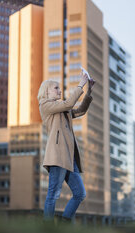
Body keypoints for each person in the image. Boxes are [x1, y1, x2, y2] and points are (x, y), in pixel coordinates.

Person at [37, 71, 95, 223]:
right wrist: (80, 84)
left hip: (69, 158)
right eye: (56, 88)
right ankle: (47, 228)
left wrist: (88, 91)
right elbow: (69, 103)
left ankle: (64, 223)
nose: (59, 90)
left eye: (59, 88)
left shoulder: (63, 107)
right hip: (57, 156)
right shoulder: (45, 105)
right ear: (47, 91)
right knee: (53, 194)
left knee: (80, 193)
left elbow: (80, 110)